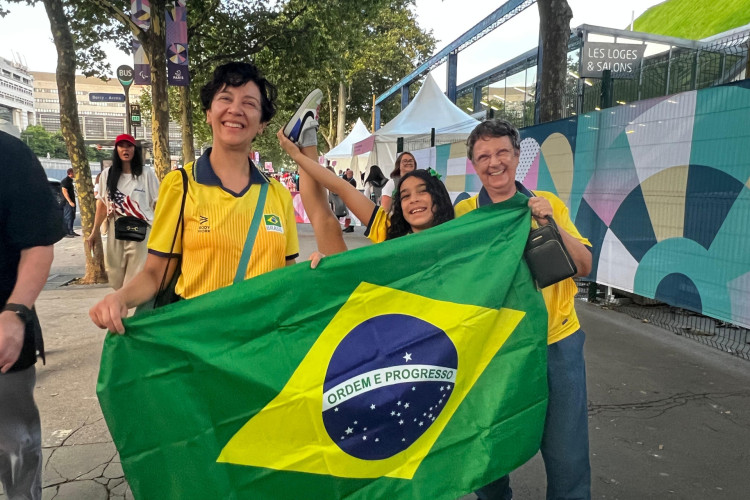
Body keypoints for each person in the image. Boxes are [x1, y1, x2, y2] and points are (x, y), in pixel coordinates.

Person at [90, 63, 341, 334]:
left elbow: (284, 275)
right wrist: (120, 297)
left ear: (262, 125)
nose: (235, 109)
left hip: (263, 343)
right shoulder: (181, 186)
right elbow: (154, 275)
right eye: (225, 98)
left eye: (249, 103)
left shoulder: (276, 195)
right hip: (200, 347)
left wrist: (313, 269)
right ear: (209, 113)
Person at [453, 119, 593, 500]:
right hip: (493, 348)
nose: (493, 162)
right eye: (483, 156)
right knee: (487, 446)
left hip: (555, 343)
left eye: (502, 152)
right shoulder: (465, 214)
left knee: (567, 451)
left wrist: (549, 222)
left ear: (517, 157)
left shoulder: (548, 202)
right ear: (473, 164)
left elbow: (583, 265)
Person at [0, 130, 66, 500]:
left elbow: (38, 244)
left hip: (5, 333)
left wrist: (15, 313)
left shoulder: (10, 154)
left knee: (15, 445)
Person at [278, 129, 453, 243]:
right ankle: (308, 135)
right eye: (405, 196)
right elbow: (341, 187)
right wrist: (297, 156)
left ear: (439, 196)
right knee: (326, 225)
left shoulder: (461, 235)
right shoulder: (390, 233)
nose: (413, 199)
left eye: (422, 192)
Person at [87, 134, 160, 290]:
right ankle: (124, 301)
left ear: (135, 149)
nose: (125, 149)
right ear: (116, 150)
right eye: (122, 146)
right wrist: (95, 232)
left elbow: (157, 203)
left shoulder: (146, 173)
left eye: (129, 146)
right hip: (116, 229)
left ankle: (129, 306)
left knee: (136, 274)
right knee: (114, 275)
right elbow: (102, 204)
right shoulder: (107, 174)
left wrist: (161, 231)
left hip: (141, 230)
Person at [60, 167, 78, 237]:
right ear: (70, 173)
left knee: (72, 216)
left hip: (72, 201)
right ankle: (66, 232)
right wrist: (70, 201)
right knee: (68, 217)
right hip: (67, 202)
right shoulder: (65, 181)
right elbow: (64, 192)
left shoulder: (70, 181)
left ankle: (71, 231)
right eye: (74, 172)